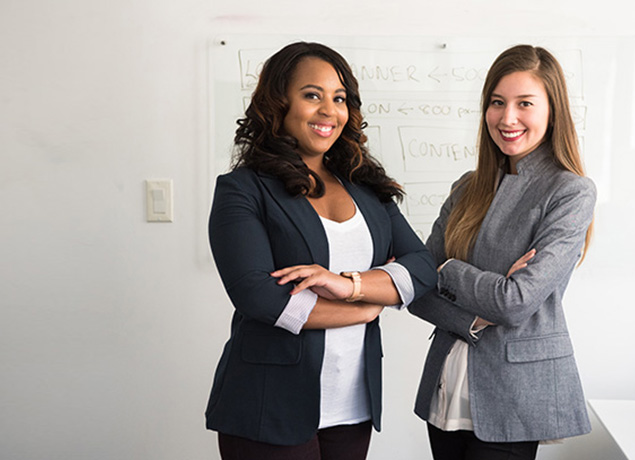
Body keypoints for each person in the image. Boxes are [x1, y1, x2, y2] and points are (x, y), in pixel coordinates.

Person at [205, 42, 437, 460]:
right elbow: (259, 296)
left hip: (352, 406)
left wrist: (348, 286)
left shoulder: (367, 188)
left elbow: (421, 268)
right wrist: (365, 307)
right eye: (312, 95)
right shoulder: (243, 189)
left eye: (339, 98)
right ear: (278, 104)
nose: (329, 110)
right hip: (268, 406)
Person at [408, 44, 597, 460]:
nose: (507, 117)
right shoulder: (466, 187)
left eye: (524, 103)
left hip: (515, 394)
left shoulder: (569, 192)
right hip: (447, 384)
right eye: (497, 102)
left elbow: (515, 303)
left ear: (553, 110)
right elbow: (418, 290)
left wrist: (448, 269)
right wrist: (473, 314)